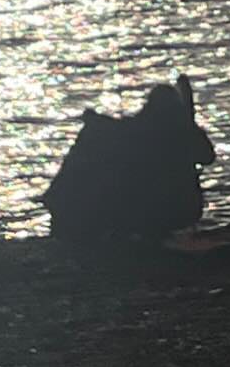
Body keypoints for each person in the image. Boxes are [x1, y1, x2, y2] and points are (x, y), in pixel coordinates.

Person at [42, 76, 216, 245]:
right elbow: (207, 156)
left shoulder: (131, 131)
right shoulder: (169, 133)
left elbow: (207, 157)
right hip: (155, 205)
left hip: (148, 204)